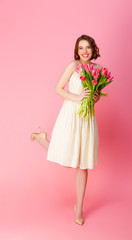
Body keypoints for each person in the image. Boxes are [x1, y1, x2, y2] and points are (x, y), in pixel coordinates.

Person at [31, 34, 102, 225]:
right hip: (71, 114)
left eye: (88, 47)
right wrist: (77, 97)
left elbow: (97, 96)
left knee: (82, 164)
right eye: (81, 48)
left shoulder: (98, 69)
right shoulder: (73, 66)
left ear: (93, 49)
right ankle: (42, 139)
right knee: (66, 158)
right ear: (76, 51)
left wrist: (95, 99)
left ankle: (78, 207)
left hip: (87, 118)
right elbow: (58, 88)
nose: (84, 51)